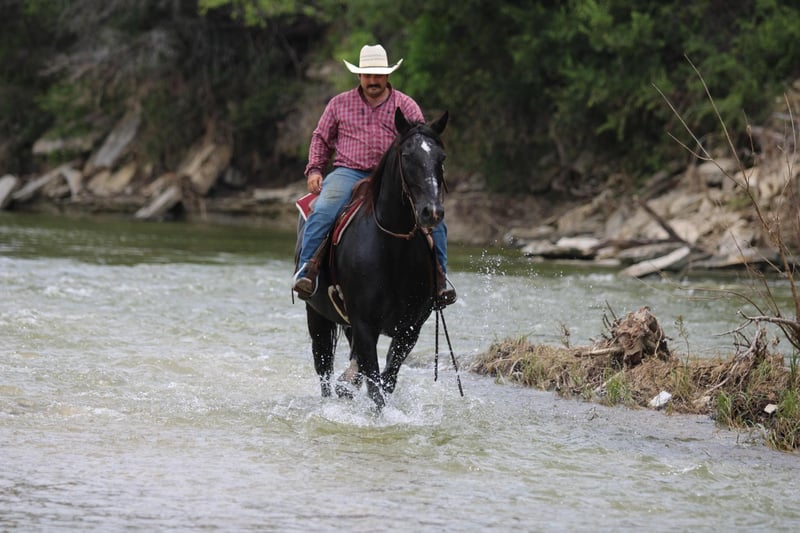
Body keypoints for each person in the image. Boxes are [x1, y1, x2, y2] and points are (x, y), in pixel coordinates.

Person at [293, 43, 455, 307]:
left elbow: (420, 142)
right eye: (368, 75)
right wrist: (314, 169)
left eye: (378, 75)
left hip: (393, 176)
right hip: (348, 171)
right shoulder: (339, 104)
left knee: (433, 218)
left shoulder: (406, 105)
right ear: (359, 75)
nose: (373, 81)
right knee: (323, 210)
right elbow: (321, 138)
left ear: (387, 75)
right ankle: (307, 271)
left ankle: (439, 280)